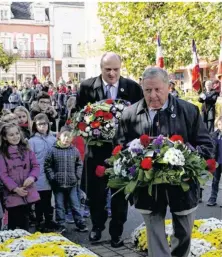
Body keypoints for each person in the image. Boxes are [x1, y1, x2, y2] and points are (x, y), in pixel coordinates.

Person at [115, 67, 214, 257]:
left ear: (169, 87)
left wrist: (187, 157)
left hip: (183, 187)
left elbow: (206, 145)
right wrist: (131, 163)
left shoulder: (188, 110)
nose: (152, 95)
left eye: (157, 90)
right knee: (155, 237)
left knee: (184, 233)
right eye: (147, 90)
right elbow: (119, 147)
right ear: (142, 88)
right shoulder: (129, 114)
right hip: (147, 188)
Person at [76, 52, 143, 247]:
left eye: (116, 69)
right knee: (95, 194)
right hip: (96, 152)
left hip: (122, 153)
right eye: (108, 69)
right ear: (101, 69)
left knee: (119, 196)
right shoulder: (87, 87)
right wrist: (90, 126)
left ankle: (116, 233)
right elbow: (79, 115)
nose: (112, 73)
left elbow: (139, 117)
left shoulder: (132, 88)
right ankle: (97, 227)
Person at [44, 126, 88, 233]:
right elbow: (47, 165)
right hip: (58, 184)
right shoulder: (53, 150)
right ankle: (61, 224)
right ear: (59, 136)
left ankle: (80, 223)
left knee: (75, 205)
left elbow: (79, 164)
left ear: (72, 138)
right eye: (64, 136)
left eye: (69, 137)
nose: (66, 139)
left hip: (72, 183)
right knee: (59, 206)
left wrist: (77, 176)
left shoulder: (74, 150)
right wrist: (52, 177)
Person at [0, 123, 40, 230]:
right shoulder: (2, 154)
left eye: (17, 133)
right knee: (13, 223)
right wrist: (15, 189)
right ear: (4, 137)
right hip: (12, 194)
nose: (15, 137)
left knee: (25, 222)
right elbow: (3, 175)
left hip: (27, 192)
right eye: (11, 135)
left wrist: (32, 177)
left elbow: (35, 166)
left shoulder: (27, 150)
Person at [29, 114, 57, 231]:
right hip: (38, 176)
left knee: (49, 199)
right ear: (35, 126)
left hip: (51, 175)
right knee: (39, 200)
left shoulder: (53, 139)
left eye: (44, 124)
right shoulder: (32, 141)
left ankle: (49, 220)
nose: (42, 126)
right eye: (39, 124)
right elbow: (30, 160)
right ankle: (39, 221)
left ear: (48, 124)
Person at [207, 116, 222, 207]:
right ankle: (212, 199)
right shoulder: (214, 135)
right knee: (215, 181)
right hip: (216, 162)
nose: (221, 126)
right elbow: (211, 148)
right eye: (219, 124)